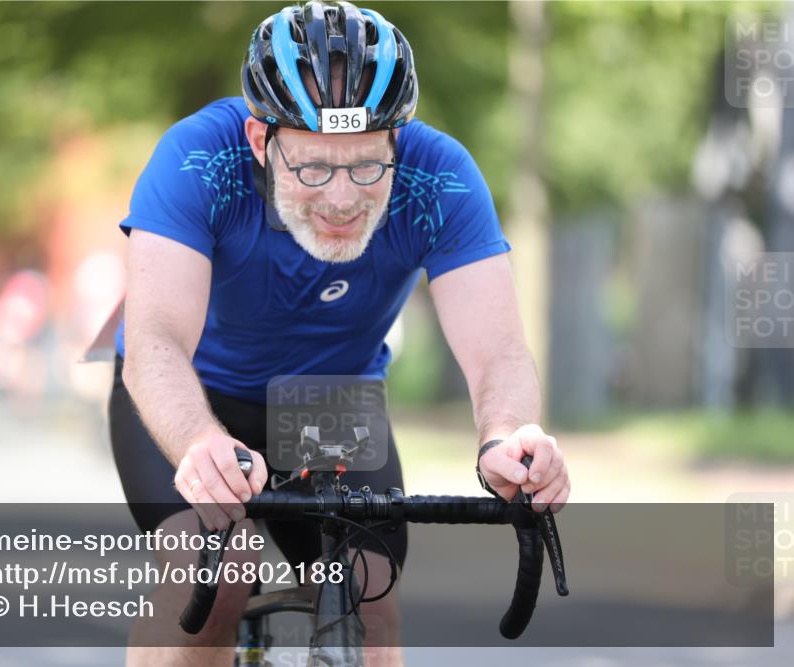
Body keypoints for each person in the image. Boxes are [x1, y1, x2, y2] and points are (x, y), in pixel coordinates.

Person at [107, 2, 571, 665]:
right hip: (194, 395)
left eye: (365, 165)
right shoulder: (197, 159)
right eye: (314, 168)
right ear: (262, 141)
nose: (343, 198)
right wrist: (202, 442)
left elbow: (498, 350)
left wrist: (508, 436)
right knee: (217, 571)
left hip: (328, 403)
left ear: (395, 143)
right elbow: (153, 341)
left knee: (368, 597)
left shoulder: (438, 177)